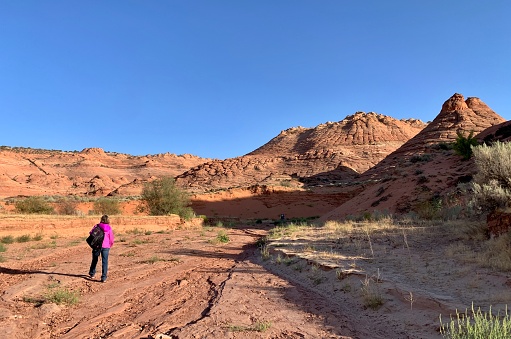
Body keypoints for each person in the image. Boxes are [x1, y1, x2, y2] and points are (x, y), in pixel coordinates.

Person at [88, 215, 114, 283]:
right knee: (105, 262)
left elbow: (91, 233)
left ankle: (92, 273)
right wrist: (110, 245)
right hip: (106, 246)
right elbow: (111, 239)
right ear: (108, 220)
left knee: (94, 260)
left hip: (97, 246)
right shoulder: (109, 228)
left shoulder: (97, 226)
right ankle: (104, 278)